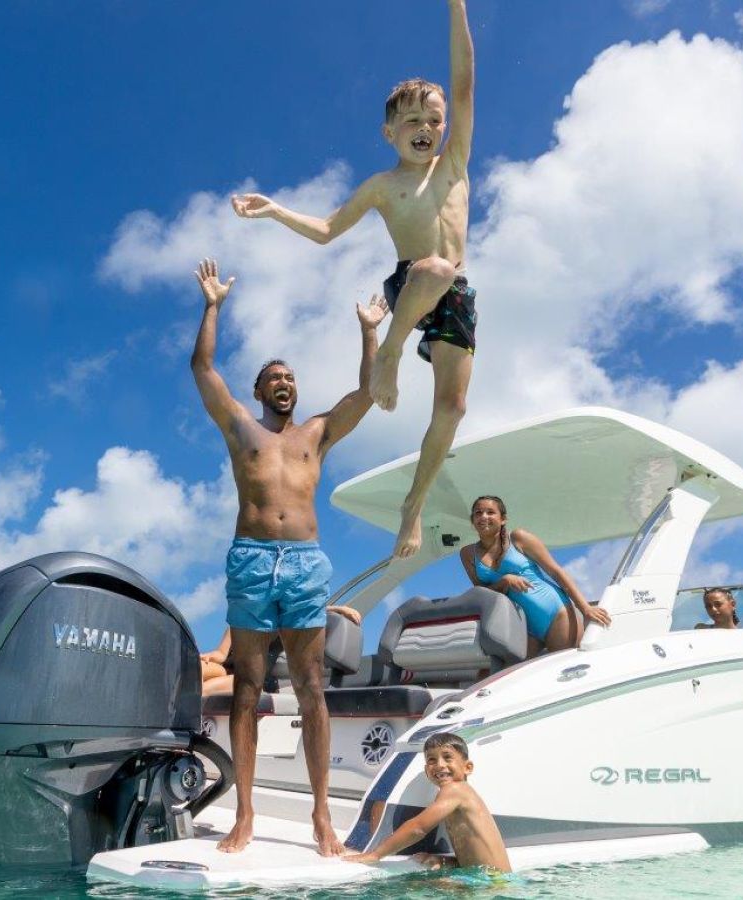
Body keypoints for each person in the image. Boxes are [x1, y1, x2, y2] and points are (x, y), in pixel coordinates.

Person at [231, 0, 477, 561]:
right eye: (412, 122)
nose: (426, 129)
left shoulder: (455, 163)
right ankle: (390, 353)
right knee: (434, 268)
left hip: (454, 295)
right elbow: (325, 230)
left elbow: (465, 81)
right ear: (389, 132)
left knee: (453, 408)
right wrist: (276, 210)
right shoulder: (382, 186)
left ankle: (413, 504)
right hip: (411, 286)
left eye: (433, 120)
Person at [190, 258, 385, 855]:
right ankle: (245, 813)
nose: (284, 382)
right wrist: (213, 307)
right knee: (247, 686)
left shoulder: (317, 433)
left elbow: (368, 393)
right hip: (251, 558)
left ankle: (322, 816)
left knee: (311, 687)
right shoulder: (241, 428)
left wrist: (369, 331)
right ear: (258, 391)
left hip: (303, 561)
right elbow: (203, 369)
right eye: (273, 377)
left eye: (290, 377)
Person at [458, 496, 611, 657]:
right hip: (522, 624)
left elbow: (556, 572)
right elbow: (481, 594)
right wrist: (505, 581)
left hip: (555, 613)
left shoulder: (518, 537)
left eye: (490, 512)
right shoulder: (467, 554)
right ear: (472, 520)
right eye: (478, 513)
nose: (483, 517)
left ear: (503, 519)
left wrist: (585, 608)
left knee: (560, 666)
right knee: (515, 671)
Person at [344, 732, 511, 872]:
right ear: (426, 770)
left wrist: (375, 854)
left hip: (490, 884)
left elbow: (418, 828)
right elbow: (478, 855)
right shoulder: (462, 793)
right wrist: (447, 861)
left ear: (467, 767)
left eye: (447, 757)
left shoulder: (455, 790)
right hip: (493, 880)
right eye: (432, 760)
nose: (439, 765)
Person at [200, 606, 365, 698]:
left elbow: (308, 611)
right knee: (194, 670)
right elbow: (222, 650)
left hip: (256, 680)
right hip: (230, 668)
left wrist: (339, 609)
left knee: (202, 690)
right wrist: (216, 654)